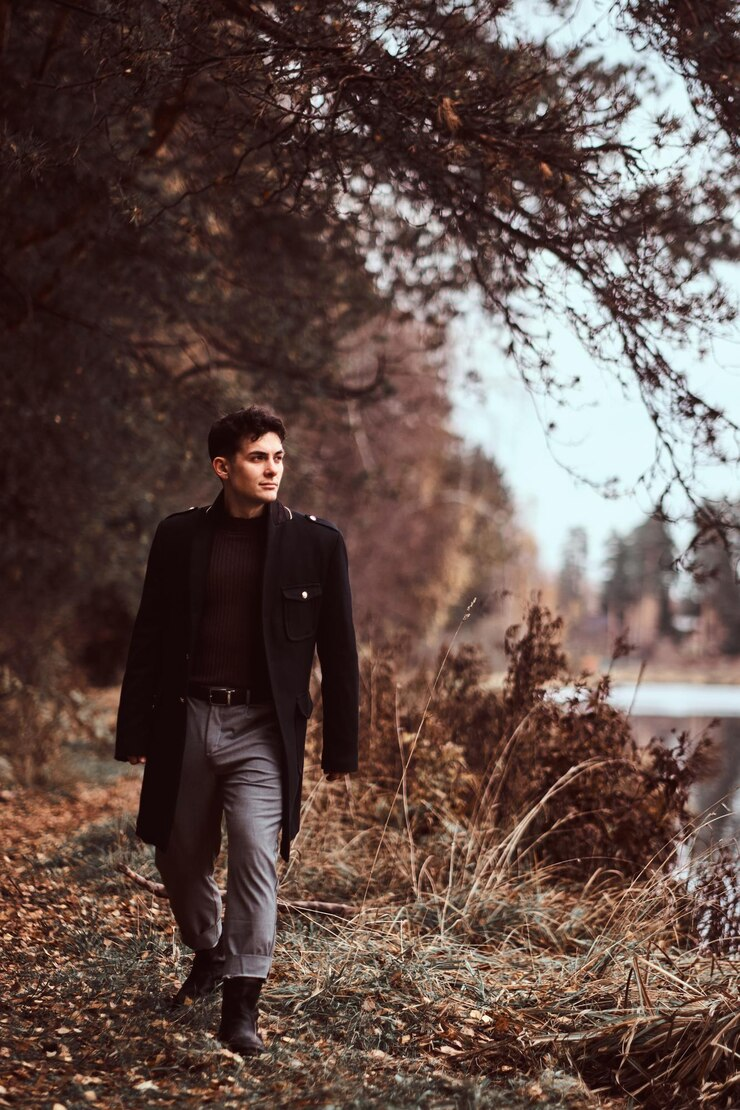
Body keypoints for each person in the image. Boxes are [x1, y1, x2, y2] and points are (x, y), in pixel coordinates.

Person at [114, 405, 360, 1055]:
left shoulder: (317, 544)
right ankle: (210, 948)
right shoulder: (178, 537)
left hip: (264, 731)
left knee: (255, 851)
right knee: (178, 856)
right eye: (257, 457)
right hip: (186, 720)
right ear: (223, 467)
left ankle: (241, 1008)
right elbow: (148, 636)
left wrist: (342, 747)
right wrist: (134, 729)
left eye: (278, 456)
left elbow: (340, 652)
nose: (272, 469)